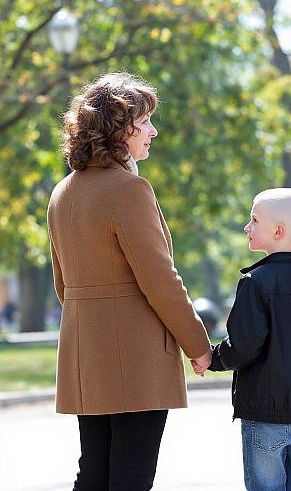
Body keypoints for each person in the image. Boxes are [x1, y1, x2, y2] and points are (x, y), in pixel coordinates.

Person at [47, 72, 212, 491]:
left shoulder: (62, 192)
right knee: (131, 478)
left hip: (86, 356)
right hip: (135, 361)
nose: (153, 130)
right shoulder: (129, 190)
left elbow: (62, 286)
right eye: (145, 121)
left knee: (94, 473)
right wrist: (198, 344)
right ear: (119, 128)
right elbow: (161, 280)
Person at [193, 188, 291, 491]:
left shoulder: (254, 283)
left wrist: (213, 358)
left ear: (277, 230)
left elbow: (245, 344)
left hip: (264, 416)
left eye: (254, 220)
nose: (247, 227)